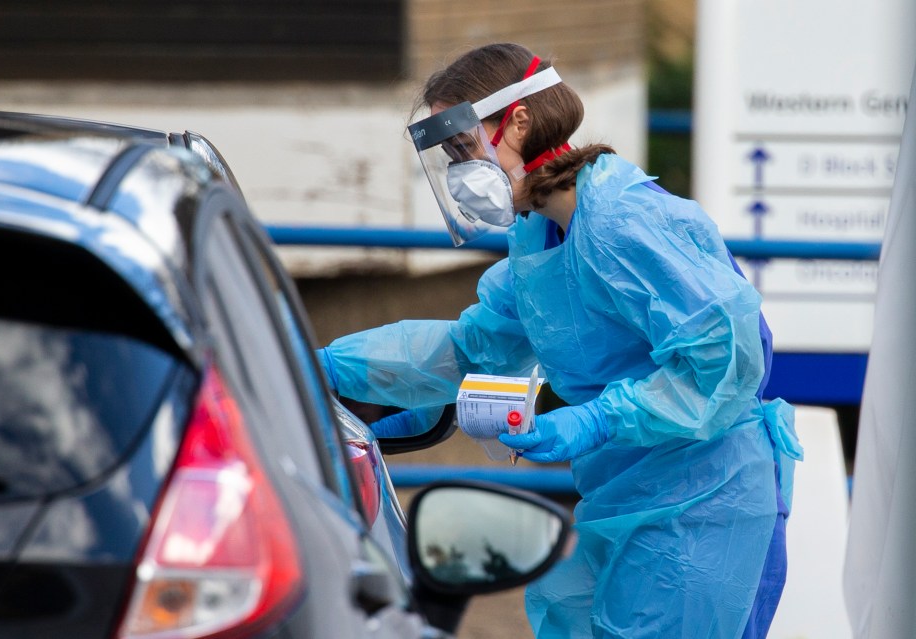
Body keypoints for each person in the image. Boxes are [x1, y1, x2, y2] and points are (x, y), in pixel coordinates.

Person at [317, 42, 803, 638]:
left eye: (463, 146)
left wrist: (594, 421)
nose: (459, 169)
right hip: (625, 493)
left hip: (704, 503)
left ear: (518, 120)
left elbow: (727, 363)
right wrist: (326, 368)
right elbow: (476, 347)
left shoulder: (622, 223)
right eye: (448, 152)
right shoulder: (540, 233)